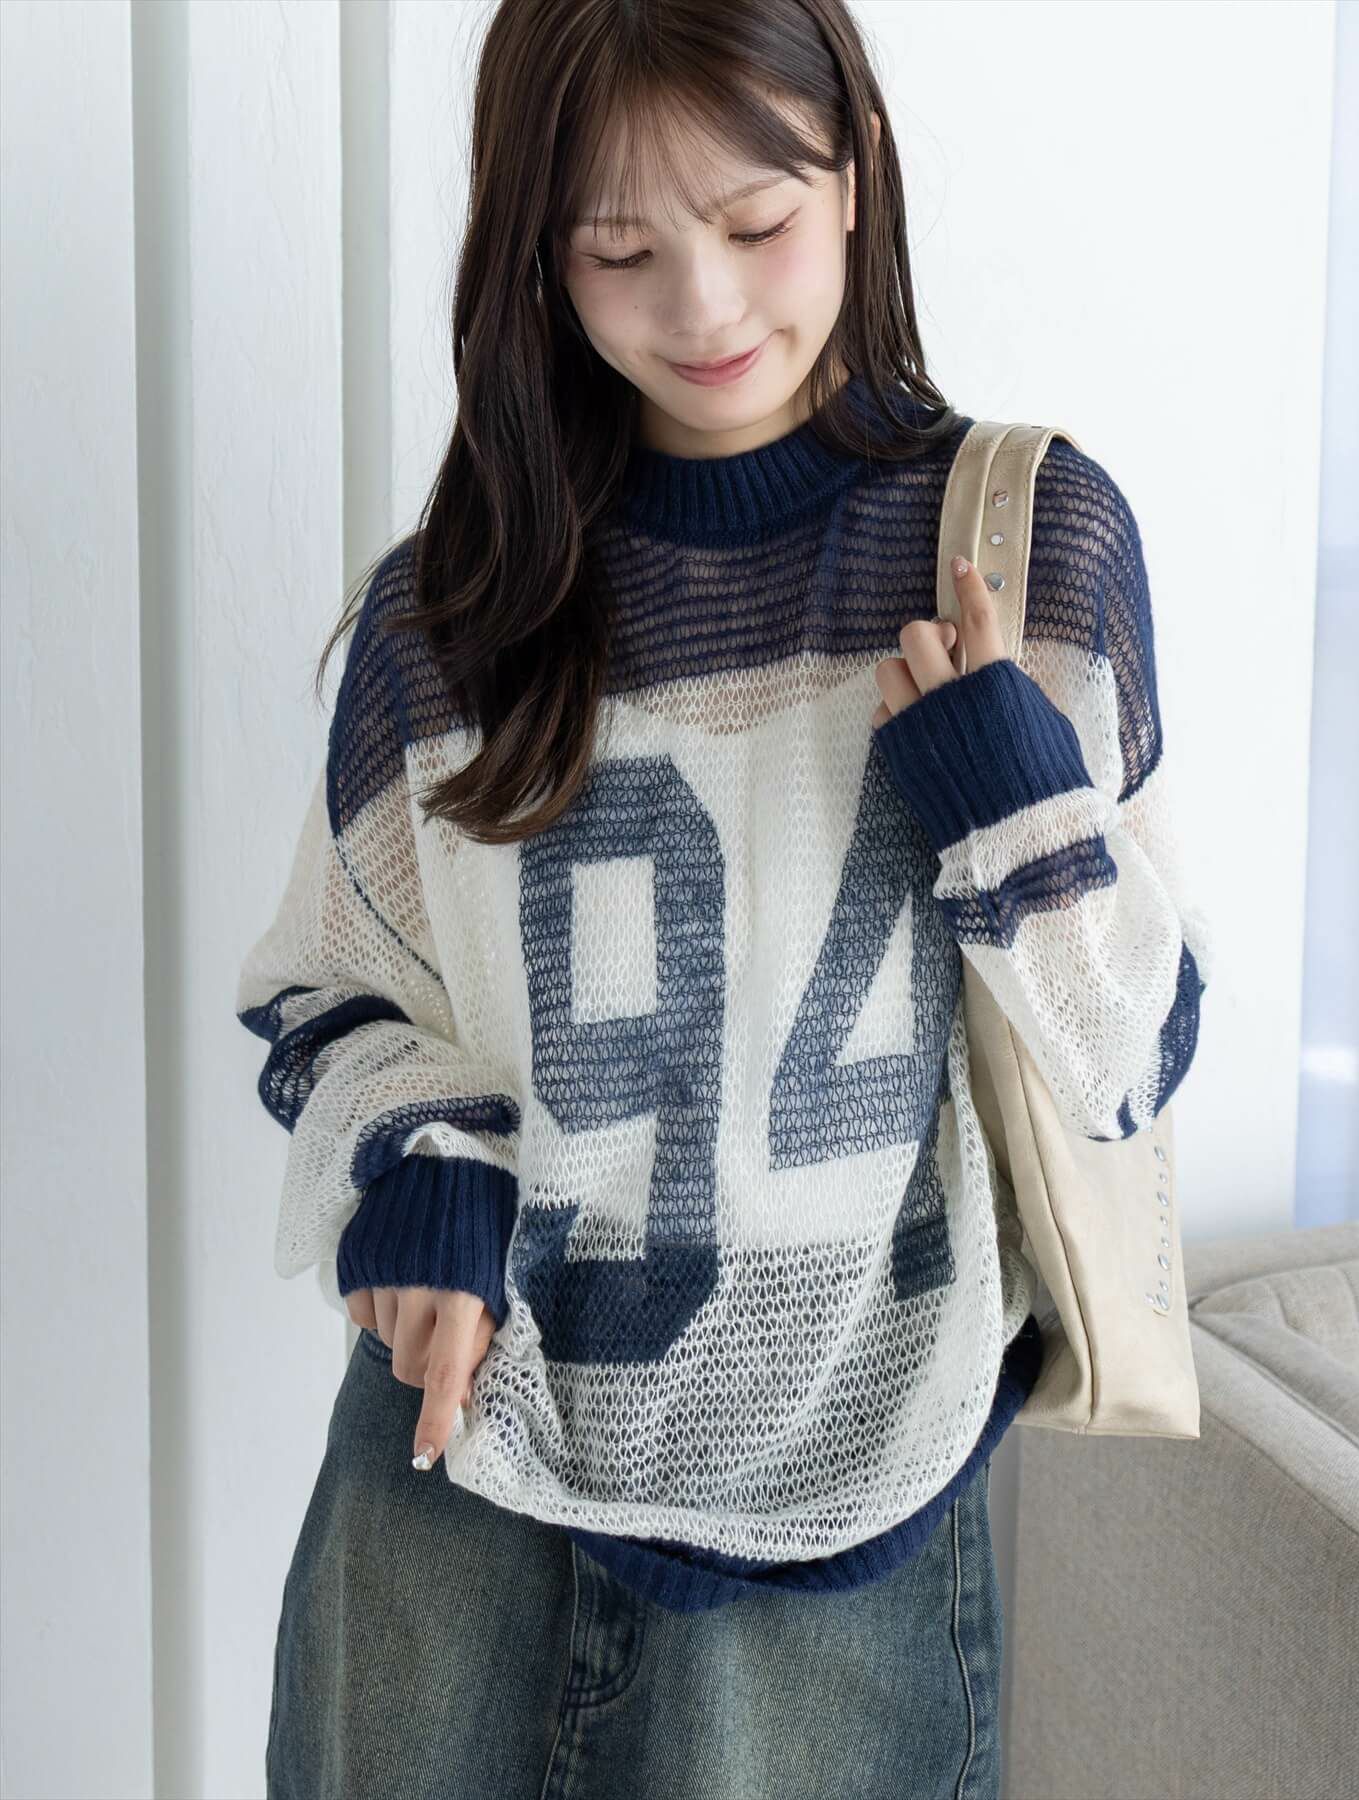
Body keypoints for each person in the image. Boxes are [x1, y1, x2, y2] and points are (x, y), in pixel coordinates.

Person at [236, 1, 1209, 1795]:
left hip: (843, 1502)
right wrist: (423, 1165)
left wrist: (1007, 794)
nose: (700, 307)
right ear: (536, 252)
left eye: (756, 223)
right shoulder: (447, 616)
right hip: (452, 1484)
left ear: (856, 171)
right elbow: (328, 992)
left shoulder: (1023, 546)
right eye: (617, 251)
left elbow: (1131, 1059)